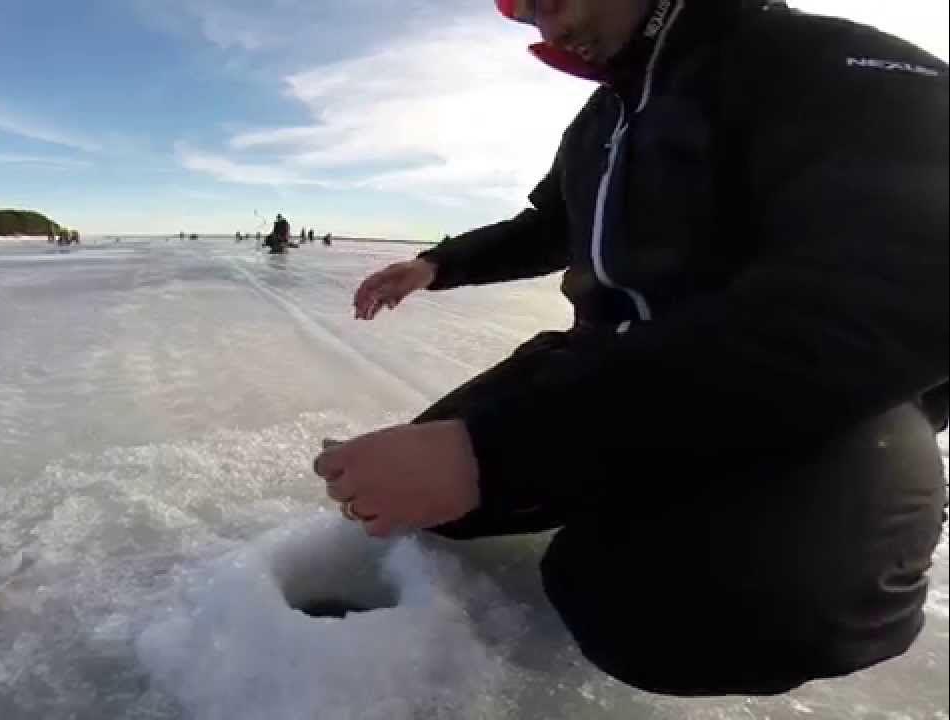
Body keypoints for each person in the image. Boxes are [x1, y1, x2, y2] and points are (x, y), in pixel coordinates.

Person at [313, 0, 947, 698]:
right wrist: (437, 264)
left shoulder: (827, 66)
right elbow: (550, 221)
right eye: (524, 19)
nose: (544, 33)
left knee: (660, 611)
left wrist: (502, 450)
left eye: (547, 4)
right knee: (431, 503)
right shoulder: (603, 117)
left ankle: (874, 510)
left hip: (816, 398)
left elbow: (906, 282)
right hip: (611, 359)